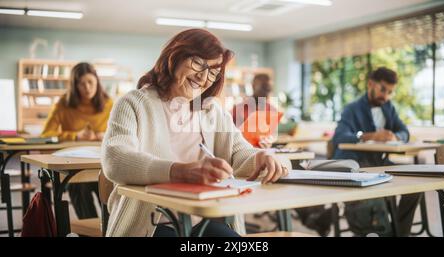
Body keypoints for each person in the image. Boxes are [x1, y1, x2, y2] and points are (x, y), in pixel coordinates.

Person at [101, 29, 289, 237]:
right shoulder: (133, 103)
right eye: (199, 62)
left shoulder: (211, 110)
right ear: (175, 56)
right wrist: (179, 172)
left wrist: (261, 157)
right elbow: (115, 160)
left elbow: (239, 153)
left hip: (202, 221)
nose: (203, 76)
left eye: (213, 72)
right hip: (152, 225)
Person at [332, 67, 421, 236]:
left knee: (417, 184)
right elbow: (340, 136)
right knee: (377, 188)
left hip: (377, 162)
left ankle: (399, 233)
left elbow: (404, 132)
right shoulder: (352, 108)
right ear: (370, 84)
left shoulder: (388, 108)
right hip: (355, 162)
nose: (385, 96)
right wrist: (370, 136)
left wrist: (394, 136)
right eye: (382, 89)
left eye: (390, 92)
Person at [41, 62, 113, 219]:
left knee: (111, 185)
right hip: (73, 165)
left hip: (100, 164)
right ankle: (90, 232)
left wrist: (105, 135)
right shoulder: (63, 104)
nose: (87, 88)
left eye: (90, 82)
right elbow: (46, 134)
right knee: (78, 186)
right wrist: (75, 136)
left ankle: (112, 229)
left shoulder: (109, 103)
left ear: (97, 82)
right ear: (74, 86)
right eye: (82, 83)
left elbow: (119, 133)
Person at [231, 74, 278, 148]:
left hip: (263, 150)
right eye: (263, 88)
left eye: (269, 89)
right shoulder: (238, 109)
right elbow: (230, 136)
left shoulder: (272, 110)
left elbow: (272, 135)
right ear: (253, 86)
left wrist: (269, 141)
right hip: (242, 151)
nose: (266, 92)